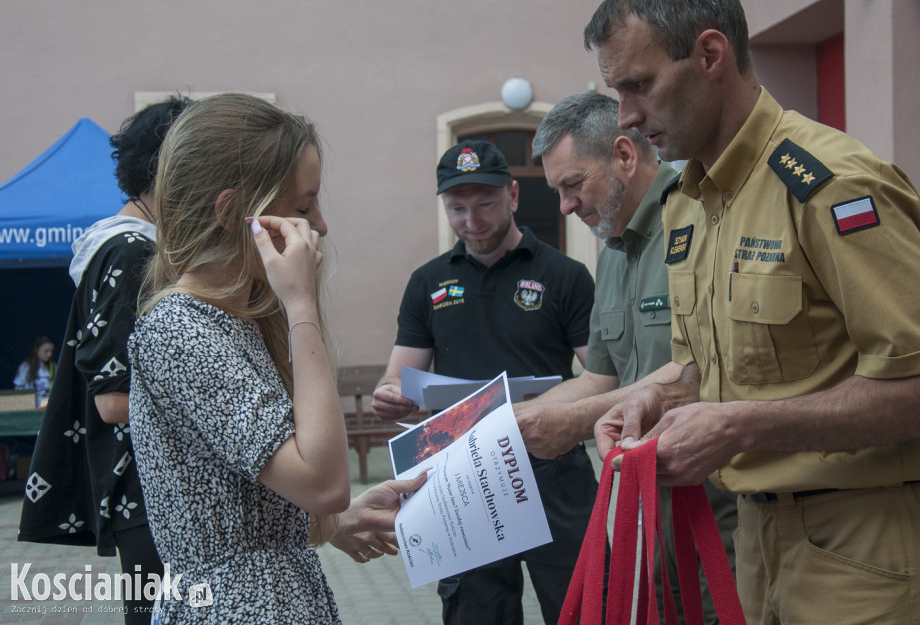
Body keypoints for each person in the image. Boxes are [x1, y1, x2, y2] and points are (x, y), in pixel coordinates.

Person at [586, 0, 920, 624]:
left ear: (710, 53)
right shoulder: (689, 201)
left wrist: (742, 424)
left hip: (867, 551)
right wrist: (656, 401)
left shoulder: (832, 183)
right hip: (756, 547)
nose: (624, 116)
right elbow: (706, 368)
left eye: (638, 85)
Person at [126, 92, 427, 624]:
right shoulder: (180, 329)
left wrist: (339, 523)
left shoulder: (230, 321)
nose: (322, 227)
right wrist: (301, 304)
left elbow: (256, 499)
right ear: (232, 214)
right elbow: (324, 484)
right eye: (304, 207)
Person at [519, 91, 736, 624]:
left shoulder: (700, 221)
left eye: (573, 184)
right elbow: (600, 376)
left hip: (720, 513)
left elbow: (701, 367)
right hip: (647, 513)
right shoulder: (614, 247)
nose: (565, 206)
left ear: (624, 155)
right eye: (558, 191)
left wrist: (572, 421)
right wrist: (511, 423)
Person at [371, 139, 598, 625]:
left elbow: (602, 375)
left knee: (582, 608)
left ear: (513, 195)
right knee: (475, 614)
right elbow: (397, 373)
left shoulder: (565, 276)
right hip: (459, 477)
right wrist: (391, 392)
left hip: (553, 469)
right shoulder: (427, 283)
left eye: (486, 205)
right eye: (457, 208)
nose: (471, 221)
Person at [19, 97, 190, 624]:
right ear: (171, 168)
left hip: (151, 488)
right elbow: (115, 402)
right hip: (146, 489)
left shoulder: (133, 246)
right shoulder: (131, 252)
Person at [13, 335, 55, 406]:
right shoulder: (26, 367)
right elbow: (17, 387)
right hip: (30, 405)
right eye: (46, 351)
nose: (49, 354)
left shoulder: (53, 366)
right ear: (37, 349)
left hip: (48, 406)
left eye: (51, 351)